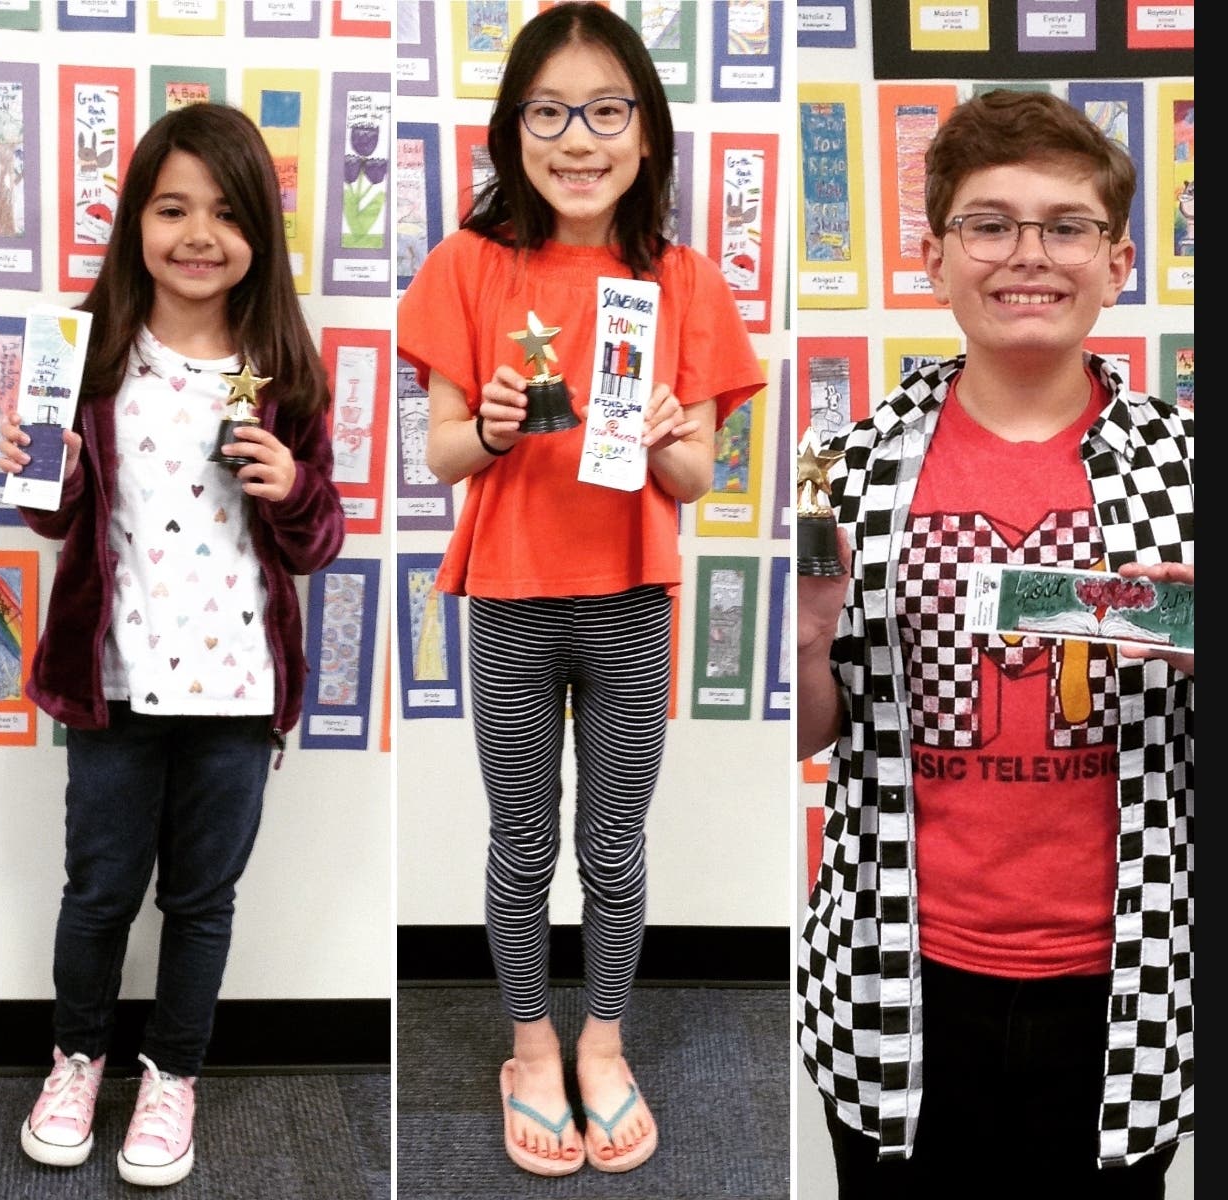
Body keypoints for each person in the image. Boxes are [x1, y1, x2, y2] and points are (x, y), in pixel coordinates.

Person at [795, 89, 1194, 1196]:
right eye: (990, 223)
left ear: (1116, 262)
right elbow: (810, 732)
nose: (1030, 255)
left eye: (1065, 225)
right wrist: (811, 638)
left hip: (1127, 980)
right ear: (934, 256)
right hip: (898, 971)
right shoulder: (846, 469)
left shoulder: (1189, 466)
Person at [396, 1, 763, 1177]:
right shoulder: (468, 264)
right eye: (548, 112)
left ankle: (603, 1045)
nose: (578, 138)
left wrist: (664, 435)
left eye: (607, 110)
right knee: (519, 840)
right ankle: (530, 1046)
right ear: (512, 133)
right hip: (507, 591)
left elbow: (698, 475)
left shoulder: (684, 280)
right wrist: (491, 426)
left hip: (629, 594)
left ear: (646, 132)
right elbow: (440, 453)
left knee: (612, 843)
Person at [0, 101, 344, 1188]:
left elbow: (316, 539)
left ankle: (173, 1075)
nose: (199, 234)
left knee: (201, 900)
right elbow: (54, 521)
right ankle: (74, 1061)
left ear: (259, 239)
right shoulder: (91, 354)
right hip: (113, 687)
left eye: (228, 214)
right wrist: (22, 457)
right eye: (173, 207)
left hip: (237, 698)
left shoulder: (280, 365)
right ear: (136, 220)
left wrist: (293, 490)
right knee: (97, 890)